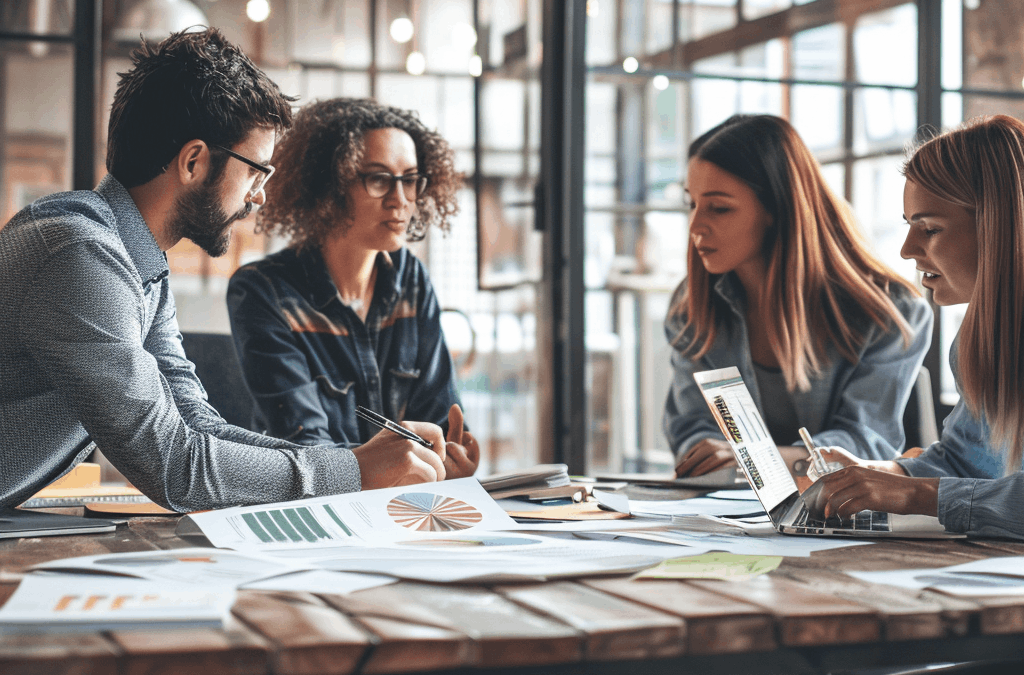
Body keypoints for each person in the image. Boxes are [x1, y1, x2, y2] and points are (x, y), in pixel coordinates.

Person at [0, 29, 453, 513]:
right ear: (194, 161)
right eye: (256, 171)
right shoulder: (79, 254)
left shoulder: (141, 266)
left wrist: (356, 462)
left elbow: (197, 427)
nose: (258, 196)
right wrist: (356, 472)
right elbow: (174, 465)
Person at [666, 114, 933, 477]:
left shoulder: (892, 313)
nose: (695, 226)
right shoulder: (691, 306)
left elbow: (864, 442)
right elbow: (693, 432)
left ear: (776, 208)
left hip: (841, 516)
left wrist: (753, 459)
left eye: (719, 207)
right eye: (691, 204)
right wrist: (723, 460)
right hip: (725, 512)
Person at [226, 98, 478, 479]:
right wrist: (395, 461)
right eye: (379, 179)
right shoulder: (264, 292)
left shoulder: (412, 281)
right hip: (317, 517)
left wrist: (453, 456)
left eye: (410, 180)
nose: (400, 200)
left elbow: (440, 427)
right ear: (330, 186)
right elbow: (307, 453)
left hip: (408, 509)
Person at [813, 115, 1024, 539]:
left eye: (929, 229)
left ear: (998, 227)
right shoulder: (977, 342)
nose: (908, 250)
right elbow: (968, 463)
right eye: (909, 225)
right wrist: (878, 474)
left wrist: (913, 495)